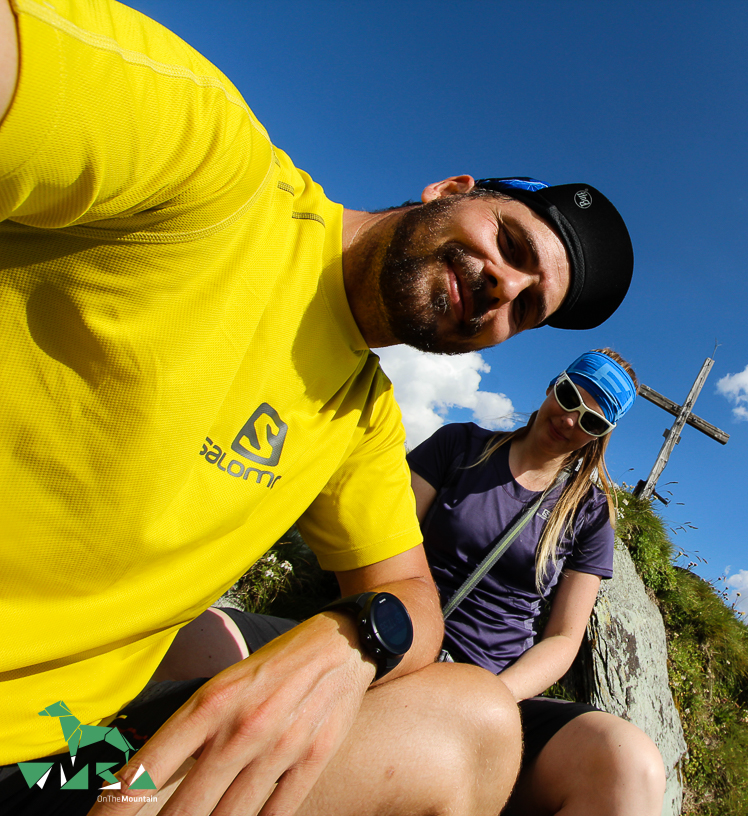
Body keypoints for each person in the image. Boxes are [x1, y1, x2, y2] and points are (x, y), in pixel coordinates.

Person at [0, 1, 634, 815]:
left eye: (525, 305)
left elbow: (412, 598)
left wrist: (354, 642)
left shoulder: (359, 416)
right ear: (448, 188)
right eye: (509, 243)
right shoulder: (213, 170)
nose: (501, 286)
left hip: (73, 757)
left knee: (472, 721)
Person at [408, 350, 667, 816]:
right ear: (553, 384)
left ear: (601, 435)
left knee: (633, 768)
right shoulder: (459, 446)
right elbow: (389, 546)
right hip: (406, 646)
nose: (569, 420)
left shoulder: (589, 515)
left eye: (590, 420)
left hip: (499, 687)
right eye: (568, 396)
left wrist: (491, 700)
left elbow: (565, 637)